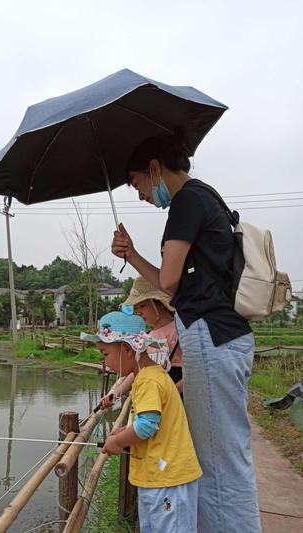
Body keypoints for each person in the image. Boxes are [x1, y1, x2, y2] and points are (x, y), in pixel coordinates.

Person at [111, 133, 261, 532]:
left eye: (138, 183)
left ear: (155, 168)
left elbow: (170, 280)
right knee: (220, 453)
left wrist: (137, 255)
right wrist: (132, 255)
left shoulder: (186, 202)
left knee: (218, 460)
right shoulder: (206, 198)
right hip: (222, 335)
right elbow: (167, 280)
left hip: (212, 336)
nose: (142, 194)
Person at [81, 311, 202, 533]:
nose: (105, 363)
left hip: (167, 479)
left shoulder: (148, 380)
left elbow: (146, 425)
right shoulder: (148, 375)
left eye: (105, 354)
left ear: (127, 349)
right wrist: (122, 434)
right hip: (159, 476)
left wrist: (119, 442)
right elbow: (146, 421)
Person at [100, 276, 183, 410]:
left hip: (177, 396)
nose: (138, 312)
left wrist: (171, 393)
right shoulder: (147, 336)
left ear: (159, 304)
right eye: (136, 308)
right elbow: (138, 370)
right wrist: (115, 394)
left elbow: (193, 372)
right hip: (155, 397)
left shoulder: (180, 330)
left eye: (143, 305)